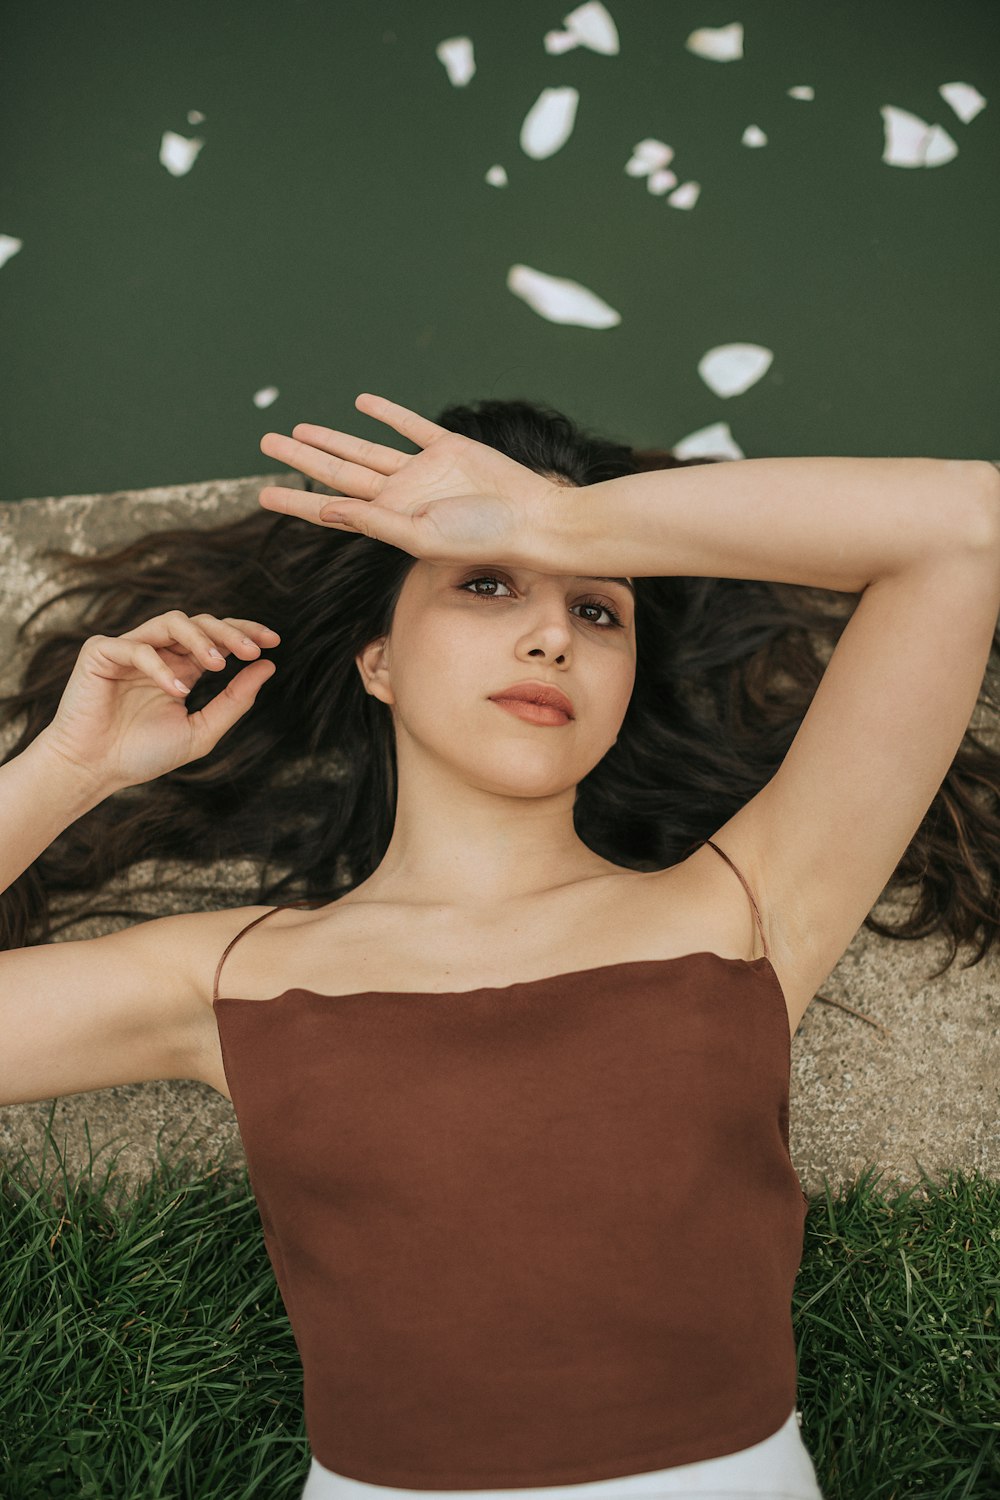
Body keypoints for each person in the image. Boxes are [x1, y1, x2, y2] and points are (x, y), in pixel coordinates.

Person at [2, 391, 998, 1499]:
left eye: (601, 614)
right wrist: (67, 774)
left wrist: (555, 525)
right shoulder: (228, 976)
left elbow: (964, 526)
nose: (549, 635)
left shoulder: (750, 902)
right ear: (375, 662)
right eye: (485, 585)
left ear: (624, 687)